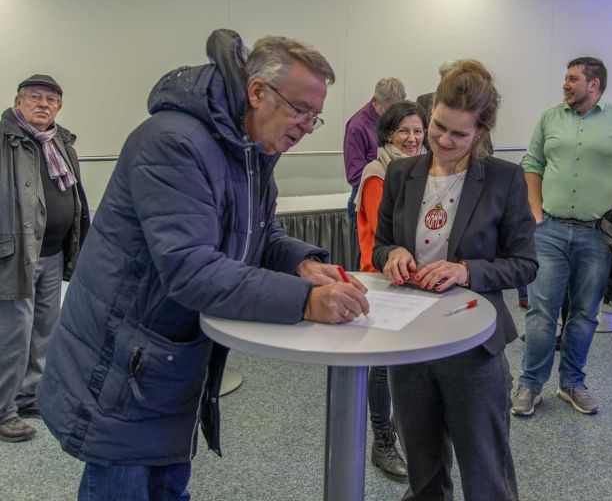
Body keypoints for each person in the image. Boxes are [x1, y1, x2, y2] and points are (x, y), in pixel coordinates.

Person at [38, 30, 369, 499]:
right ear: (258, 92)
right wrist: (306, 301)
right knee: (125, 485)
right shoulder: (174, 142)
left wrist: (299, 263)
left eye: (314, 117)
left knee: (167, 485)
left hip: (167, 358)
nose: (306, 126)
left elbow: (257, 233)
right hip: (122, 361)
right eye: (300, 110)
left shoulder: (249, 152)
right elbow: (191, 269)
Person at [373, 60, 537, 500]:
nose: (444, 140)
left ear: (481, 132)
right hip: (410, 339)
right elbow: (381, 246)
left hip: (472, 344)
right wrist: (393, 255)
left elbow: (524, 264)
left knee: (485, 470)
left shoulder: (503, 179)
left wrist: (466, 270)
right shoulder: (401, 173)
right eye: (438, 127)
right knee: (423, 469)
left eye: (459, 134)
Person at [512, 57, 612, 417]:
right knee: (541, 312)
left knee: (584, 313)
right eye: (565, 78)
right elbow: (532, 164)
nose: (565, 84)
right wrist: (535, 210)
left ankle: (572, 383)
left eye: (572, 78)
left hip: (598, 236)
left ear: (594, 84)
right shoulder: (550, 118)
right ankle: (530, 385)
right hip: (550, 230)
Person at [0, 75, 89, 444]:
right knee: (12, 335)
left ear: (59, 107)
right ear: (18, 101)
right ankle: (3, 411)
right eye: (34, 97)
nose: (43, 104)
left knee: (43, 332)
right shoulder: (5, 140)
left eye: (51, 99)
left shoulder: (60, 142)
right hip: (15, 253)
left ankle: (29, 395)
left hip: (53, 252)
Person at [354, 101, 427, 481]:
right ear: (387, 134)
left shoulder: (429, 169)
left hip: (420, 279)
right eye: (404, 131)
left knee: (412, 363)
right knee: (383, 366)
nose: (412, 138)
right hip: (384, 279)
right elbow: (380, 238)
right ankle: (382, 441)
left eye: (418, 130)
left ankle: (406, 432)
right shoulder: (377, 173)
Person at [344, 77, 406, 264]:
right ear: (375, 102)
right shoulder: (357, 126)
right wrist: (382, 177)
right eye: (389, 110)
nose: (393, 117)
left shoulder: (398, 121)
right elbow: (355, 175)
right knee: (369, 255)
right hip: (367, 197)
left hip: (394, 198)